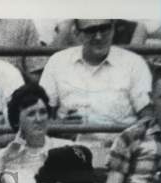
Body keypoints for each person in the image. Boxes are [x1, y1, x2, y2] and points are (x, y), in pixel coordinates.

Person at [39, 20, 152, 155]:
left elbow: (149, 118)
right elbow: (38, 115)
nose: (98, 36)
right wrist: (59, 126)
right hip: (69, 152)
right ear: (77, 33)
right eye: (91, 30)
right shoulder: (57, 62)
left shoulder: (134, 63)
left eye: (104, 29)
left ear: (113, 29)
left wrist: (124, 141)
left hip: (120, 152)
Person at [0, 83, 74, 183]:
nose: (39, 119)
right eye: (31, 114)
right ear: (16, 120)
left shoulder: (67, 149)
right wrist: (4, 157)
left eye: (43, 112)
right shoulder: (4, 157)